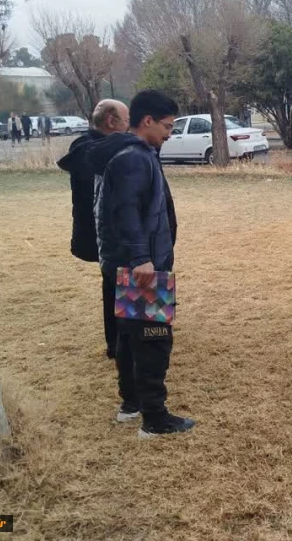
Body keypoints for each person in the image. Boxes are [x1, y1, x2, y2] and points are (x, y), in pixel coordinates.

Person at [89, 90, 193, 437]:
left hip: (132, 261)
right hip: (140, 266)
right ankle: (155, 418)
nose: (169, 133)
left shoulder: (136, 152)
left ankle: (131, 403)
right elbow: (126, 211)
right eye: (167, 126)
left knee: (130, 337)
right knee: (153, 339)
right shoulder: (133, 157)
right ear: (146, 121)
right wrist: (141, 259)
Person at [57, 100, 130, 359]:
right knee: (116, 285)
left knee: (115, 284)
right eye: (126, 119)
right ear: (111, 122)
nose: (129, 126)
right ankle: (124, 344)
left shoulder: (89, 148)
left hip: (109, 233)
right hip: (110, 234)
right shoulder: (91, 152)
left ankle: (122, 341)